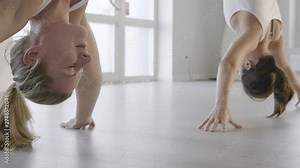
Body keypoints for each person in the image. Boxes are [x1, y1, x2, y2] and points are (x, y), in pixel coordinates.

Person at [0, 0, 102, 150]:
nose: (86, 60)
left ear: (33, 55)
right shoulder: (73, 13)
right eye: (79, 72)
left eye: (71, 67)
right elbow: (93, 79)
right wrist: (82, 118)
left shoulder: (16, 11)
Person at [199, 0, 300, 132]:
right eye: (239, 72)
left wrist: (298, 89)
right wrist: (221, 105)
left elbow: (283, 64)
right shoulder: (252, 36)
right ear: (248, 65)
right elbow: (228, 63)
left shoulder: (274, 35)